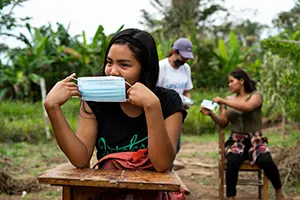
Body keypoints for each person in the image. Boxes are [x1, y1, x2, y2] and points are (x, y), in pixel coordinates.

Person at [44, 28, 187, 199]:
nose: (112, 71)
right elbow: (80, 159)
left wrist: (152, 107)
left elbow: (162, 164)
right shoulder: (95, 101)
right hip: (109, 192)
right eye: (109, 62)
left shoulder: (168, 101)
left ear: (145, 68)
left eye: (124, 65)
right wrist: (52, 108)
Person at [200, 68, 287, 200]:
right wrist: (211, 114)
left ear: (241, 81)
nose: (229, 85)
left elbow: (248, 107)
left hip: (255, 140)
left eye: (231, 81)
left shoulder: (255, 96)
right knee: (232, 160)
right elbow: (223, 123)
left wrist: (224, 102)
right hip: (236, 140)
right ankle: (231, 197)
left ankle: (278, 189)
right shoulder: (228, 99)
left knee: (265, 159)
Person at [157, 37, 194, 110]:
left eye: (186, 59)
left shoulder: (186, 68)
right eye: (183, 57)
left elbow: (186, 91)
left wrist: (187, 102)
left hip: (178, 109)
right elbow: (155, 91)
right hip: (162, 109)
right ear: (174, 52)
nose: (184, 61)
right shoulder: (161, 67)